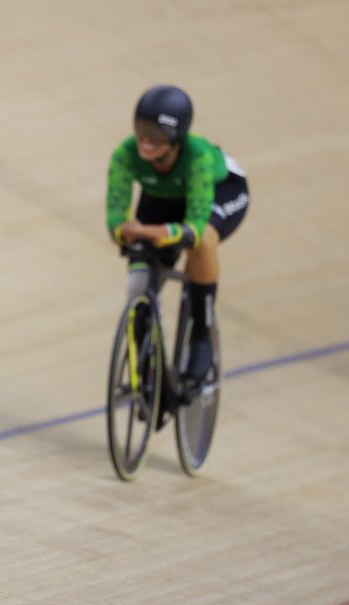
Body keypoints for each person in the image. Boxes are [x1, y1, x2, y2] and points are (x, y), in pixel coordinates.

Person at [106, 84, 249, 383]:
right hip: (163, 197)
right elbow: (116, 219)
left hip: (219, 191)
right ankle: (145, 357)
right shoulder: (125, 154)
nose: (146, 141)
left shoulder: (197, 157)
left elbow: (194, 228)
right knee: (137, 282)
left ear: (177, 138)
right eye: (141, 129)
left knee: (203, 243)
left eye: (157, 136)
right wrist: (126, 232)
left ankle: (200, 335)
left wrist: (151, 231)